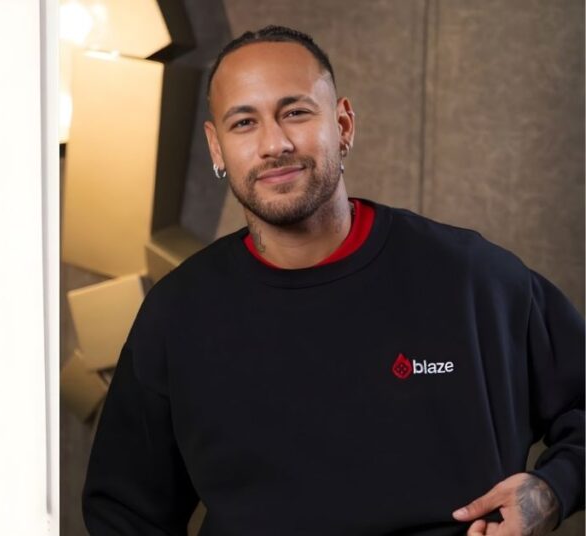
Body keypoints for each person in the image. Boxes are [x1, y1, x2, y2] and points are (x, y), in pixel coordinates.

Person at [82, 26, 583, 536]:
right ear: (216, 147)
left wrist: (552, 489)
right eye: (243, 122)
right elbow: (122, 513)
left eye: (295, 112)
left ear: (343, 124)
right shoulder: (177, 315)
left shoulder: (473, 279)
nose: (273, 144)